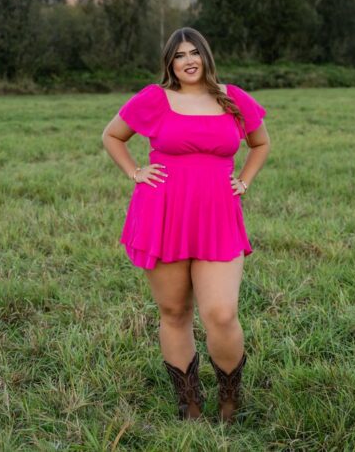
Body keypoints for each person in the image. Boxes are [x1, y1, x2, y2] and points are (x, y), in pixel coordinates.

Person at [101, 27, 271, 424]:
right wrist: (135, 172)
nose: (189, 60)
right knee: (175, 310)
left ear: (206, 56)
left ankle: (230, 401)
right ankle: (189, 404)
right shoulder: (154, 98)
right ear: (170, 63)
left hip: (217, 217)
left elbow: (260, 143)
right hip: (163, 214)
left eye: (195, 52)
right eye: (179, 55)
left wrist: (244, 180)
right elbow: (112, 136)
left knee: (221, 312)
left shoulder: (231, 98)